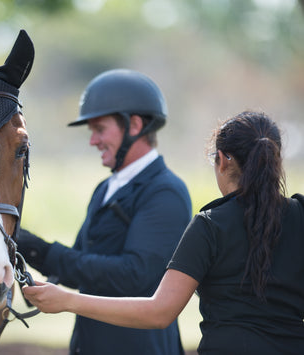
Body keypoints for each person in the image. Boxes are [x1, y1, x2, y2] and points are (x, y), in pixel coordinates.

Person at [23, 111, 304, 354]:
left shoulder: (209, 226)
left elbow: (159, 312)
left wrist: (67, 300)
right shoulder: (300, 214)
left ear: (222, 160)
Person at [17, 69, 192, 355]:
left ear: (134, 125)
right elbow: (77, 272)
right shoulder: (105, 188)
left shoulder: (165, 191)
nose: (93, 141)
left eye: (99, 129)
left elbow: (136, 275)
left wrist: (45, 252)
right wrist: (23, 246)